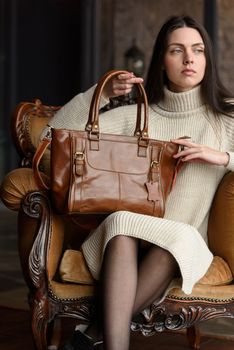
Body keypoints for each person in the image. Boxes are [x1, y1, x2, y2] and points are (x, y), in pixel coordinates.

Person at [44, 15, 234, 350]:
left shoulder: (225, 118)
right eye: (177, 50)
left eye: (198, 50)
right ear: (162, 60)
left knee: (175, 239)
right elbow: (52, 134)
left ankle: (90, 336)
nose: (189, 58)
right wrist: (98, 95)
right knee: (120, 222)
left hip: (181, 242)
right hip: (124, 239)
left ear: (207, 59)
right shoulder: (136, 116)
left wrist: (222, 158)